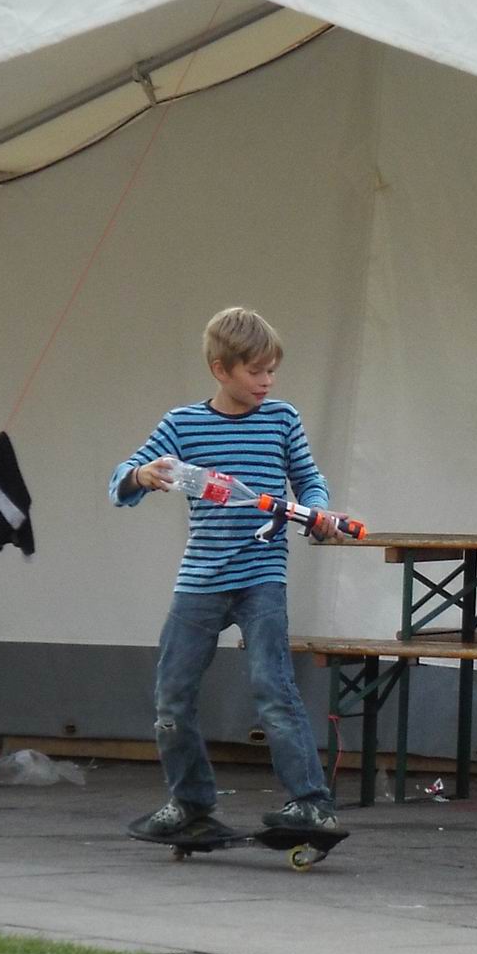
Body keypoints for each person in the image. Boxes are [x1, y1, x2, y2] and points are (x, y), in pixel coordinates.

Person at [110, 306, 341, 839]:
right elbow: (121, 480)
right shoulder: (182, 424)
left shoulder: (281, 418)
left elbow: (309, 480)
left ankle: (312, 803)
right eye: (255, 371)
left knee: (273, 689)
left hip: (262, 575)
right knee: (172, 696)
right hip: (200, 581)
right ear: (221, 369)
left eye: (272, 370)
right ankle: (189, 801)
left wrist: (318, 511)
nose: (267, 381)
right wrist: (141, 475)